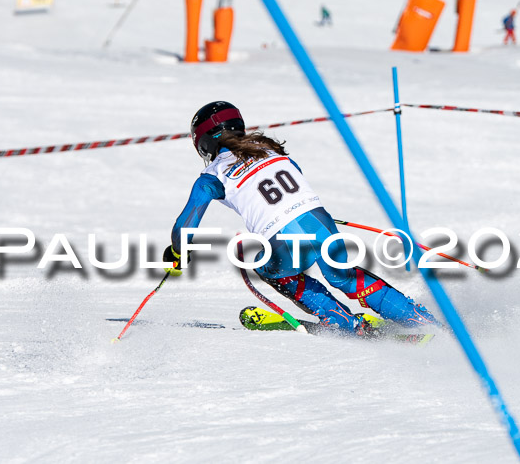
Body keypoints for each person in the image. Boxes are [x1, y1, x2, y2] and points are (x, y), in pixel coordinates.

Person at [162, 101, 443, 336]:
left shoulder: (212, 175)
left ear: (204, 141)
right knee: (344, 276)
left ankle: (344, 323)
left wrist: (177, 253)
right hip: (319, 220)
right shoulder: (267, 148)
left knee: (266, 267)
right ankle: (424, 322)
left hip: (284, 237)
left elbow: (185, 227)